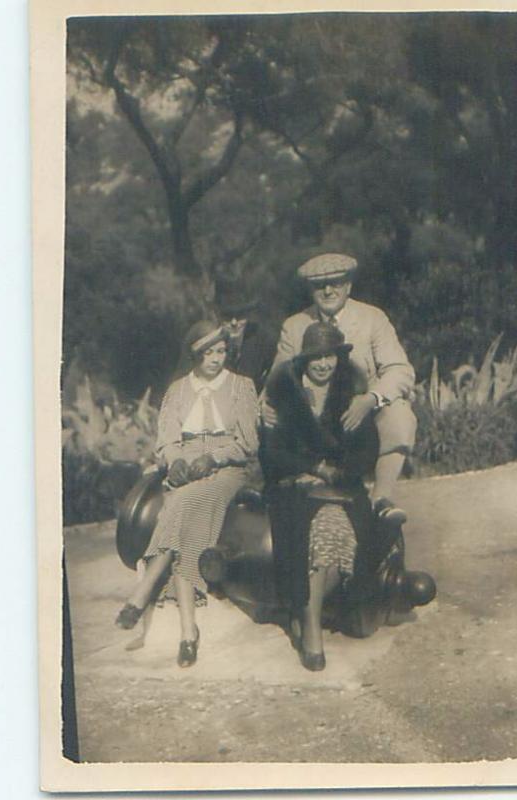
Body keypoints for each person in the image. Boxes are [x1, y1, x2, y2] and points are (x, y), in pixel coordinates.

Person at [114, 320, 259, 667]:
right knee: (185, 514)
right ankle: (187, 633)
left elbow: (249, 442)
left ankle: (142, 592)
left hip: (226, 469)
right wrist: (176, 461)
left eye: (221, 351)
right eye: (208, 353)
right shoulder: (178, 391)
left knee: (184, 501)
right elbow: (167, 440)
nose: (216, 359)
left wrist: (216, 457)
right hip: (187, 468)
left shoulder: (241, 386)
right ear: (194, 355)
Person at [260, 322, 380, 671]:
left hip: (339, 491)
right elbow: (273, 454)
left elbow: (367, 453)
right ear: (304, 360)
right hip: (293, 487)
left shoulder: (352, 396)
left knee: (335, 531)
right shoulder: (284, 396)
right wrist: (314, 468)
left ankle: (306, 614)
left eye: (329, 356)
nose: (323, 364)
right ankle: (312, 625)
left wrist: (338, 473)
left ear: (339, 358)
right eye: (316, 357)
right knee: (301, 537)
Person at [262, 253, 416, 522]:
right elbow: (278, 378)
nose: (328, 290)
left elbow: (399, 369)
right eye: (320, 285)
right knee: (270, 420)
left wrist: (370, 398)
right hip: (316, 413)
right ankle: (278, 498)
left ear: (349, 286)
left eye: (336, 283)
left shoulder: (372, 318)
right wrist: (265, 405)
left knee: (400, 414)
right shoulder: (295, 326)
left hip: (364, 410)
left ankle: (381, 499)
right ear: (310, 290)